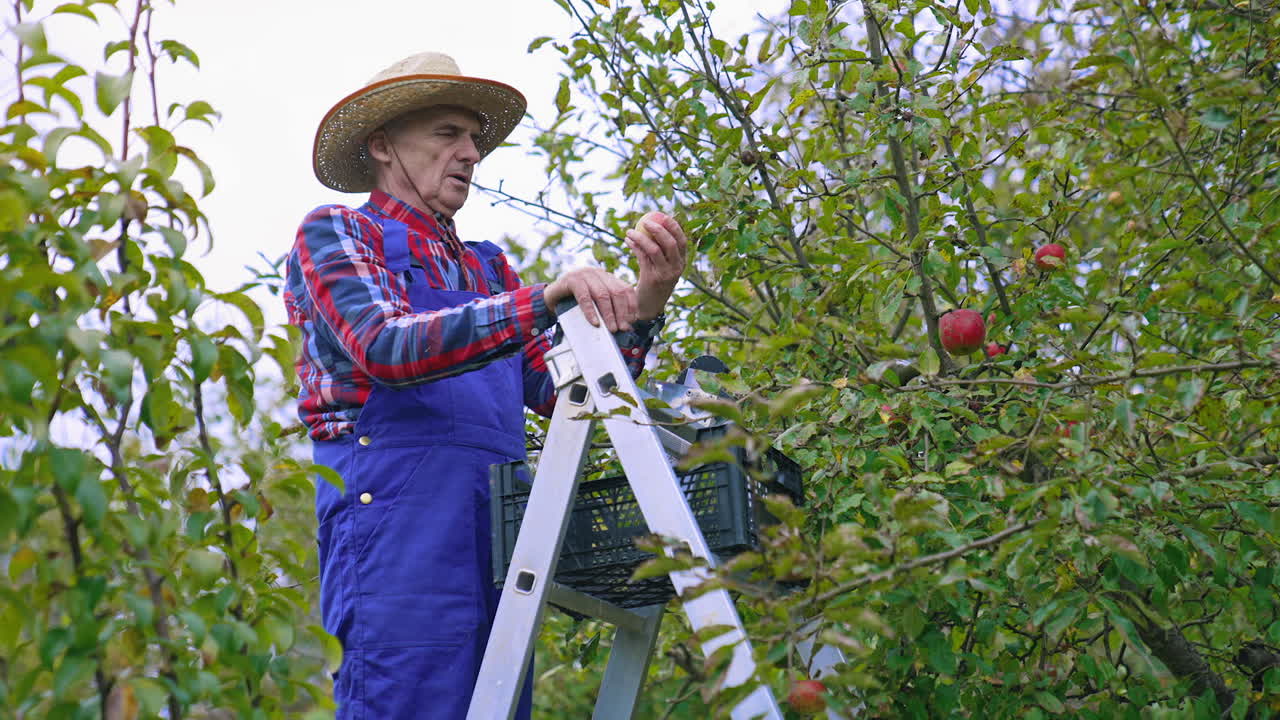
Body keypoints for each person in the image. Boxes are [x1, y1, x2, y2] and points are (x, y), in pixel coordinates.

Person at [283, 51, 688, 719]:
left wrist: (644, 307)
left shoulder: (486, 268)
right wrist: (545, 298)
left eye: (475, 137)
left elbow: (562, 398)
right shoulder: (338, 232)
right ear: (382, 144)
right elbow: (387, 346)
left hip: (495, 538)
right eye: (448, 133)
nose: (471, 151)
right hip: (396, 542)